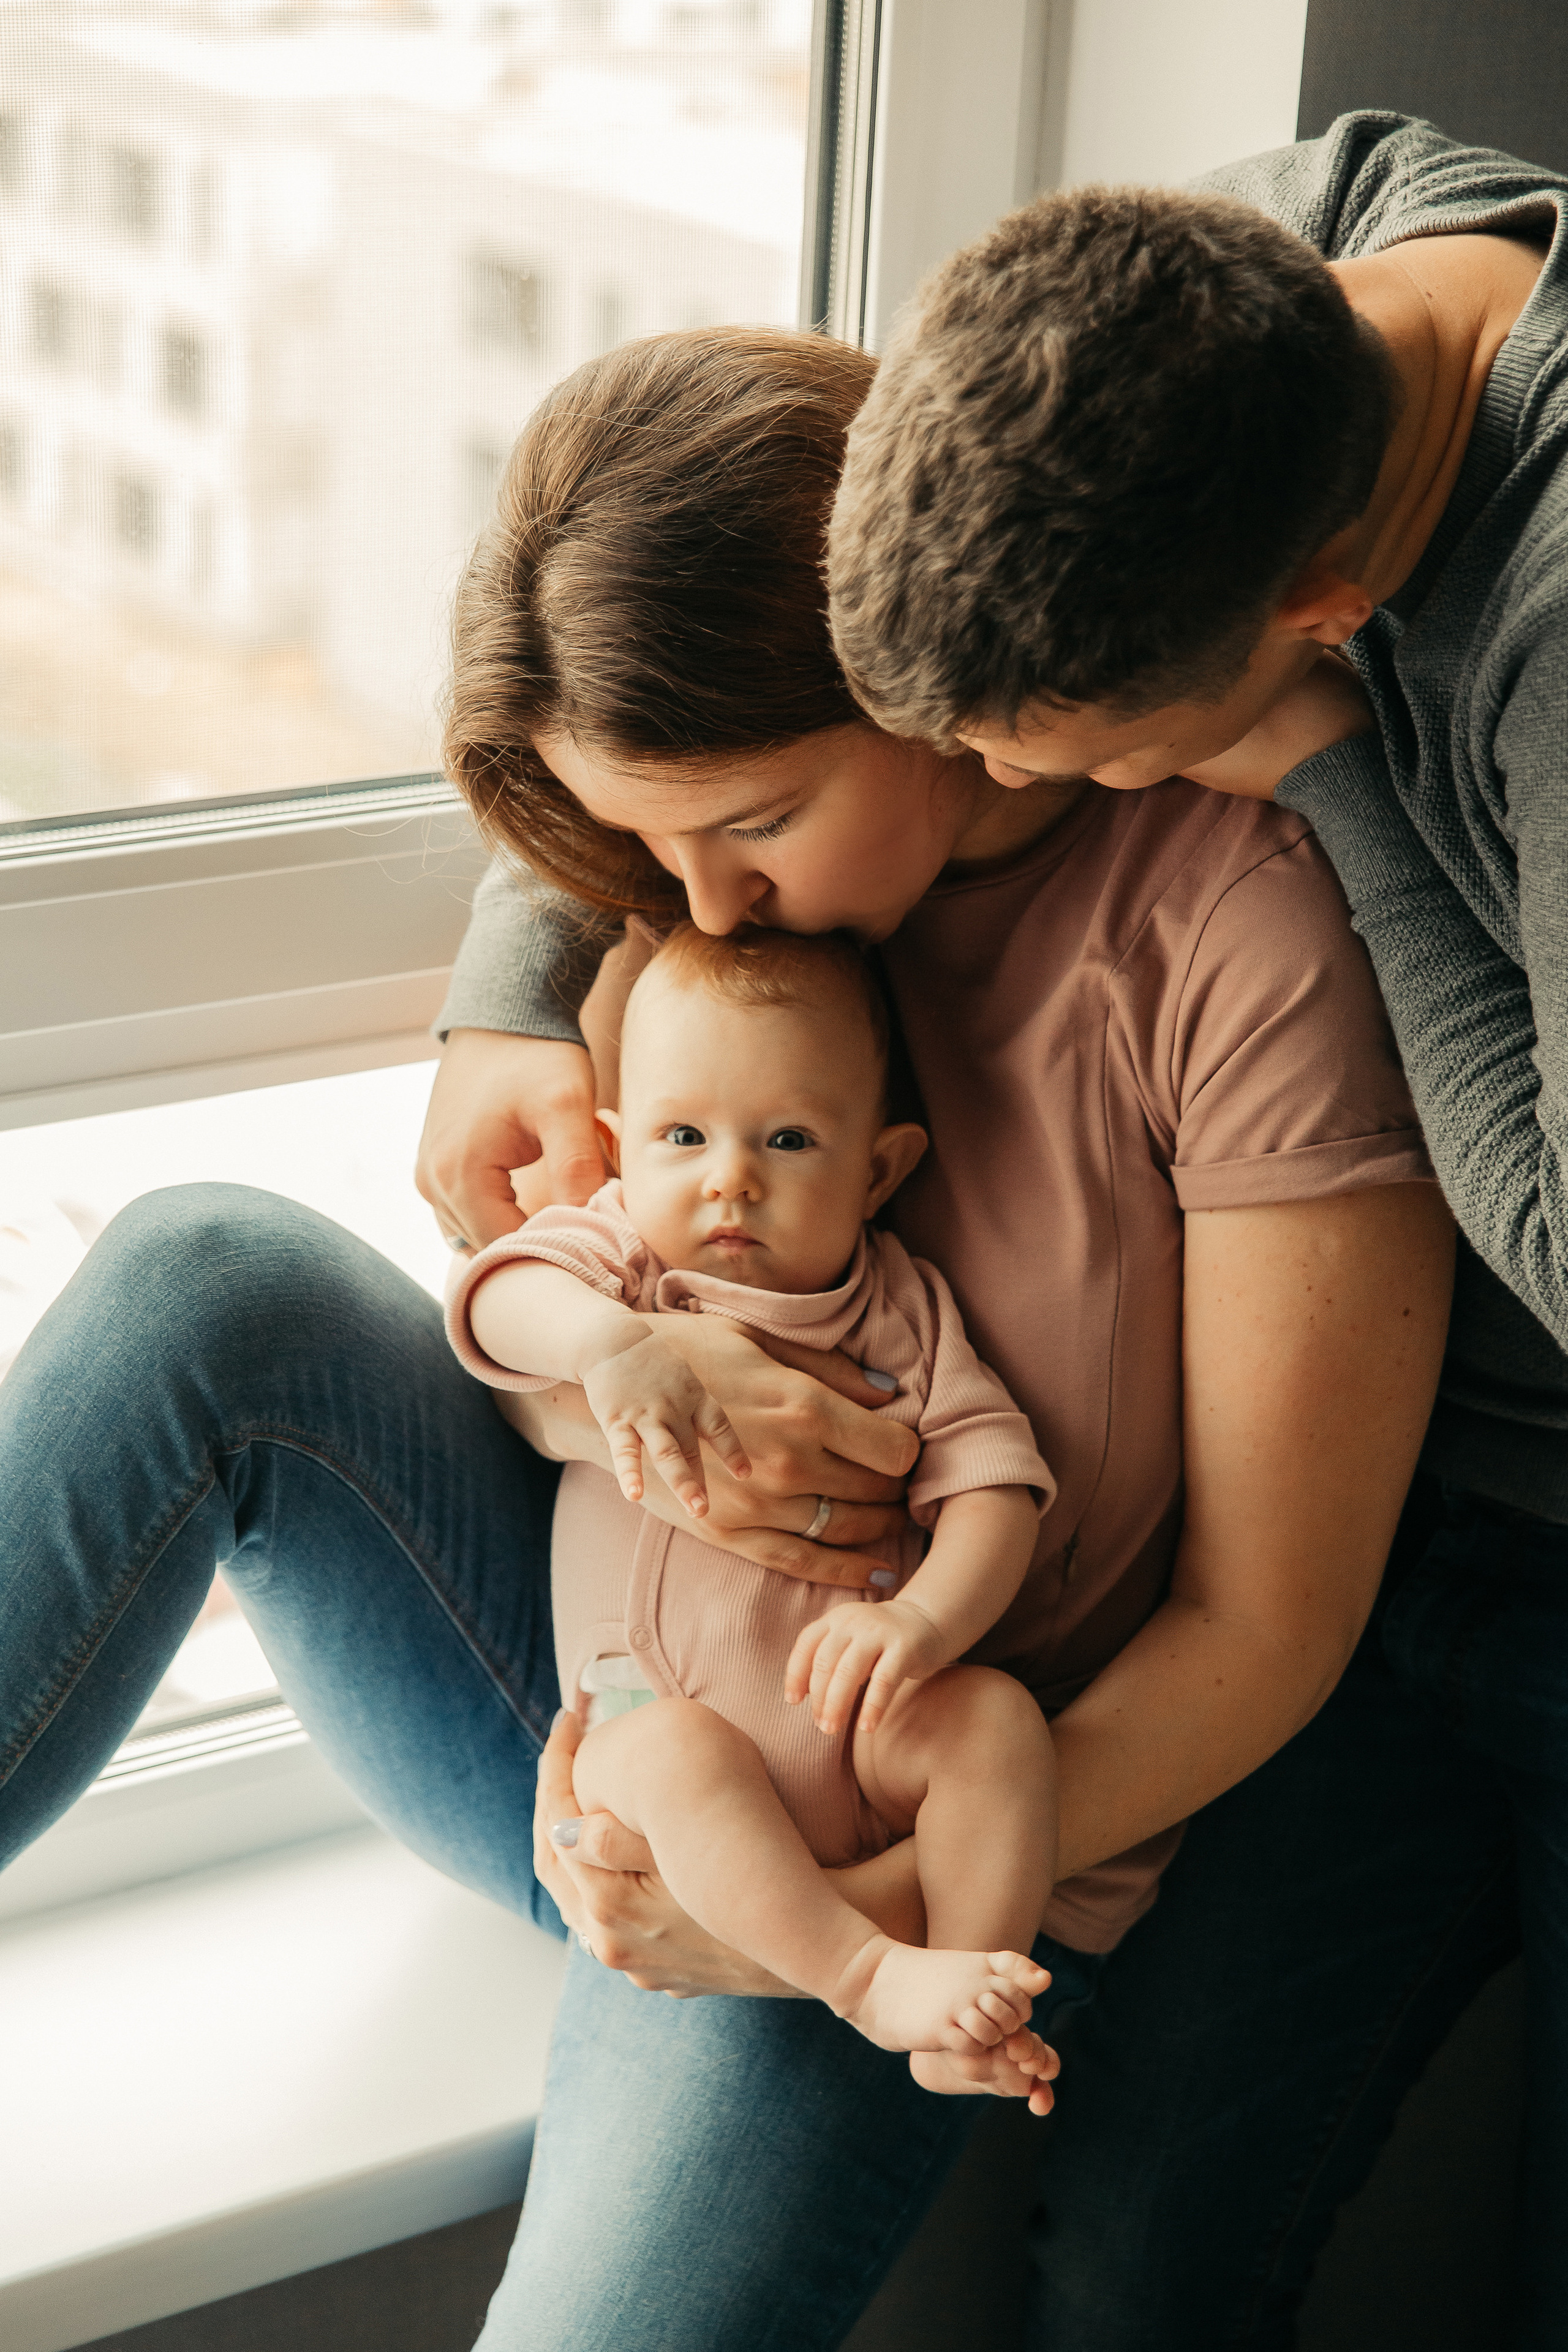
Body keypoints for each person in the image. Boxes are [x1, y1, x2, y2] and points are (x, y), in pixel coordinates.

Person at [0, 325, 1447, 2349]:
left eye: (742, 822)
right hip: (609, 1709)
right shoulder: (700, 900)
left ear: (910, 672)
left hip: (892, 1827)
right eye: (639, 850)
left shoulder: (1235, 937)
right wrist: (621, 1375)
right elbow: (562, 1312)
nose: (691, 902)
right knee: (197, 1279)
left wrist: (830, 1940)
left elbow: (1268, 1632)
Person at [823, 108, 1568, 2348]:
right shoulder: (1282, 246)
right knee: (1139, 2260)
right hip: (1413, 1524)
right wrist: (517, 976)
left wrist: (1333, 775)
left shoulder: (1539, 643)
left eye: (1115, 765)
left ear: (1323, 613)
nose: (1055, 810)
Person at [445, 921, 1060, 2098]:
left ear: (878, 1170)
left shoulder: (901, 1311)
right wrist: (604, 1344)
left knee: (992, 1723)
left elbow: (993, 1483)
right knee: (676, 1753)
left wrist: (921, 1624)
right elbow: (493, 1299)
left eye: (787, 1138)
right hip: (656, 1743)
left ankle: (963, 2001)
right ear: (620, 1153)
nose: (730, 1175)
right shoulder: (624, 1263)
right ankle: (868, 1977)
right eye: (683, 1136)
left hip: (853, 1738)